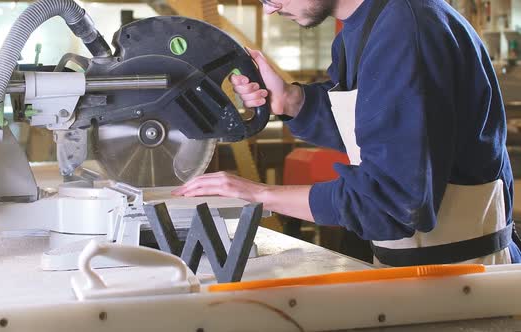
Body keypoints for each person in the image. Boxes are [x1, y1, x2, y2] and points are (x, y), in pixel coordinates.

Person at [173, 0, 521, 266]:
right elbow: (380, 129)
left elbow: (390, 204)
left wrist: (257, 194)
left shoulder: (405, 30)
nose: (269, 10)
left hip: (463, 276)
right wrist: (293, 101)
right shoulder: (366, 25)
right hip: (416, 266)